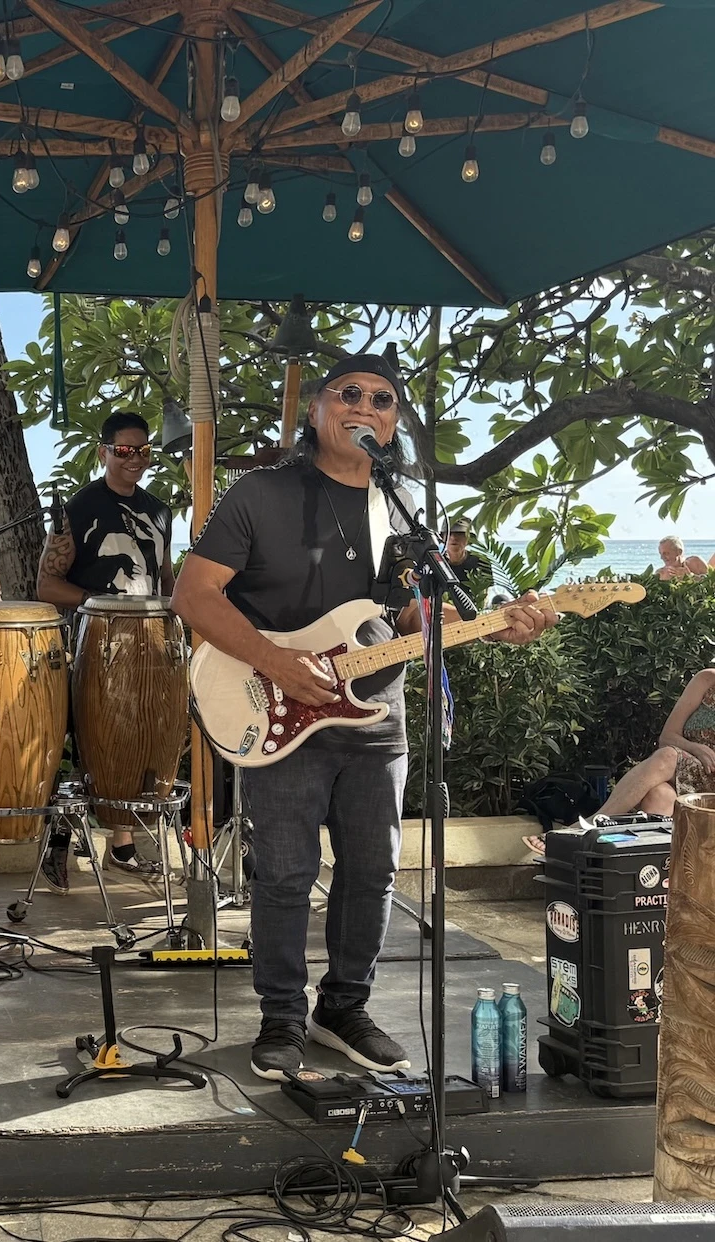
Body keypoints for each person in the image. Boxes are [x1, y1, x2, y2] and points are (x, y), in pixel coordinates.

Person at [170, 354, 556, 1082]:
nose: (366, 406)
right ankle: (282, 1017)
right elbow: (194, 596)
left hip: (377, 711)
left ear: (394, 421)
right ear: (316, 410)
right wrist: (278, 662)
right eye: (349, 393)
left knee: (373, 871)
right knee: (284, 874)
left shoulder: (403, 505)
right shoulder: (262, 493)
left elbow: (407, 613)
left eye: (383, 400)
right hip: (277, 707)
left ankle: (343, 1008)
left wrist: (490, 625)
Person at [37, 411, 175, 883]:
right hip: (98, 641)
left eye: (142, 450)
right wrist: (102, 606)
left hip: (154, 645)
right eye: (123, 450)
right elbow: (47, 585)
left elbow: (165, 575)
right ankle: (57, 841)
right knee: (91, 740)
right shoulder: (78, 508)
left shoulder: (159, 510)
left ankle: (123, 847)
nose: (134, 459)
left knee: (141, 740)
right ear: (104, 453)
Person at [524, 667, 715, 854]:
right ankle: (642, 873)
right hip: (681, 773)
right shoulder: (705, 680)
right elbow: (667, 737)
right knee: (659, 795)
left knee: (668, 756)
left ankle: (585, 827)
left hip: (709, 787)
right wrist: (696, 748)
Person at [443, 517, 492, 585]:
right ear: (442, 537)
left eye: (459, 533)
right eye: (449, 533)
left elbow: (484, 592)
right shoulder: (435, 563)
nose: (453, 537)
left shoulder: (481, 562)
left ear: (468, 538)